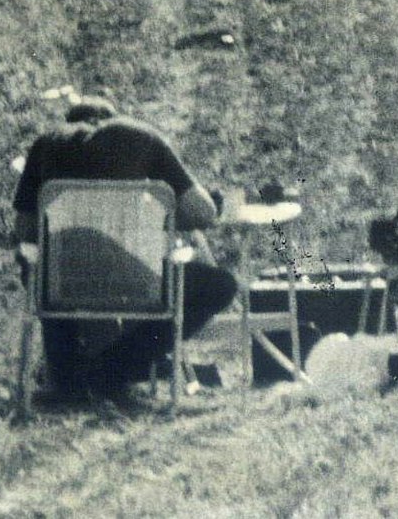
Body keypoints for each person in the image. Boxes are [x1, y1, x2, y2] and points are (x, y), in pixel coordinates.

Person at [12, 99, 238, 400]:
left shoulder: (46, 143)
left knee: (38, 262)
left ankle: (66, 373)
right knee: (221, 285)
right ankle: (113, 370)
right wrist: (156, 217)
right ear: (111, 117)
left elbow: (25, 230)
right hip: (136, 285)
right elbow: (203, 213)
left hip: (61, 288)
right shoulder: (141, 137)